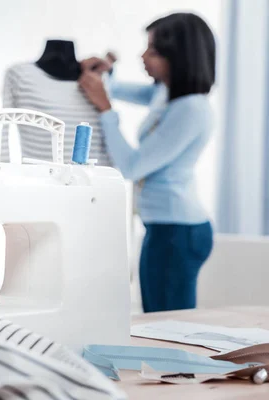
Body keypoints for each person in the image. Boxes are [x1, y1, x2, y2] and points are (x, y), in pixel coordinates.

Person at [78, 13, 215, 313]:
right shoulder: (166, 94)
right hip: (167, 228)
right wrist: (106, 76)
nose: (142, 56)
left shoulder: (191, 109)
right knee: (160, 319)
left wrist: (105, 109)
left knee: (169, 325)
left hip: (177, 232)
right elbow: (119, 90)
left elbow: (131, 166)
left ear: (179, 56)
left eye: (153, 50)